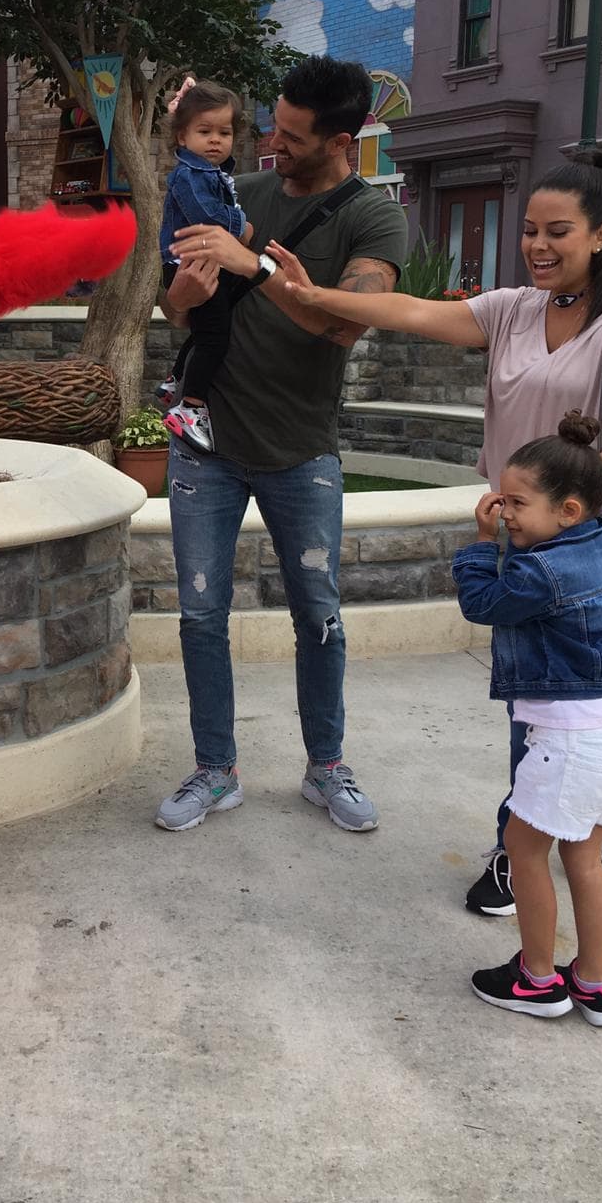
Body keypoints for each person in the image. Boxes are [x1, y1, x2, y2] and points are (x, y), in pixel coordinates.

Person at [269, 148, 602, 909]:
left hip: (599, 524)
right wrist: (314, 291)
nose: (539, 248)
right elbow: (412, 311)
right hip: (529, 528)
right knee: (568, 690)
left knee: (546, 692)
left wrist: (578, 485)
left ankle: (525, 847)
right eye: (530, 232)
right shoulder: (513, 309)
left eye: (560, 233)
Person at [153, 55, 407, 835]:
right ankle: (214, 769)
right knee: (201, 616)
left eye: (292, 135)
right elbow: (181, 315)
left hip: (301, 449)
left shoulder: (374, 217)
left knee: (319, 614)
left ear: (342, 138)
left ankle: (325, 765)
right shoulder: (236, 190)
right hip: (208, 448)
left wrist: (254, 265)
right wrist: (183, 296)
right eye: (271, 124)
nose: (270, 142)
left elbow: (345, 324)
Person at [454, 413, 602, 1023]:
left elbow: (483, 603)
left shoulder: (544, 570)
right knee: (585, 861)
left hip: (572, 742)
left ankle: (538, 979)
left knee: (524, 850)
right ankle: (593, 983)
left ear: (567, 510)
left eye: (515, 502)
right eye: (500, 500)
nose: (503, 510)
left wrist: (483, 546)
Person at [155, 79, 253, 453]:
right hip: (190, 263)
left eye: (224, 132)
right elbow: (207, 216)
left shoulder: (211, 173)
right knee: (215, 337)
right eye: (204, 131)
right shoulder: (190, 174)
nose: (215, 140)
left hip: (200, 261)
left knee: (205, 329)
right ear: (182, 137)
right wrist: (242, 227)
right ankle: (191, 408)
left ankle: (174, 379)